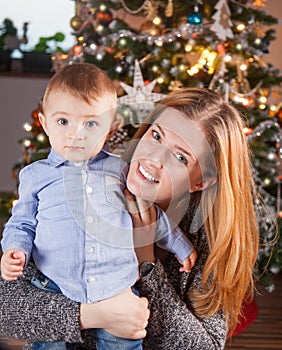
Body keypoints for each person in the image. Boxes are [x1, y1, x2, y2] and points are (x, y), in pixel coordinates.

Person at [0, 87, 260, 349]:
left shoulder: (205, 235)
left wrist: (146, 262)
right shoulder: (82, 181)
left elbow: (204, 345)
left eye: (180, 157)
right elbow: (6, 307)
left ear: (201, 181)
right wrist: (92, 315)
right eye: (156, 135)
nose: (153, 158)